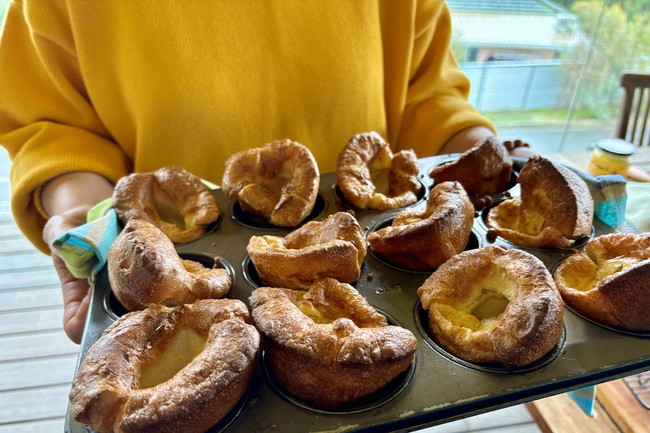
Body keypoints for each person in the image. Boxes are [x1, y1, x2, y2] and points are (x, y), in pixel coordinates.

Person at [0, 0, 531, 344]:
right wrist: (80, 210)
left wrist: (475, 153)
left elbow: (425, 91)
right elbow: (57, 124)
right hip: (180, 272)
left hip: (378, 280)